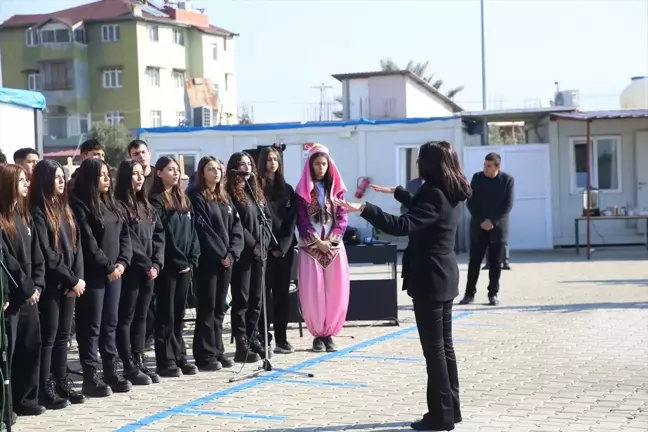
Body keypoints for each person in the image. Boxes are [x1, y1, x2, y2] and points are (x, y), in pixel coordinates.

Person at [336, 141, 470, 432]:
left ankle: (440, 417)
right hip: (443, 274)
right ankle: (452, 409)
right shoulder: (449, 189)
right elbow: (425, 210)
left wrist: (364, 209)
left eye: (421, 159)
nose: (417, 163)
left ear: (431, 163)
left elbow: (403, 225)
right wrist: (398, 192)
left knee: (434, 351)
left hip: (430, 278)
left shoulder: (434, 192)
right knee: (444, 348)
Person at [70, 158, 133, 397]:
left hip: (115, 274)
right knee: (91, 326)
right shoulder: (80, 206)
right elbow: (89, 243)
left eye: (108, 174)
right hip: (95, 276)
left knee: (111, 324)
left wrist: (122, 263)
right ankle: (90, 375)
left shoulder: (113, 204)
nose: (107, 179)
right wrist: (108, 267)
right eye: (102, 175)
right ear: (89, 178)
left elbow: (125, 235)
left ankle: (111, 368)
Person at [29, 160, 86, 409]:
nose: (62, 181)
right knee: (49, 338)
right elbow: (48, 254)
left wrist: (77, 279)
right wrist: (70, 279)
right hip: (53, 284)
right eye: (56, 177)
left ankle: (62, 380)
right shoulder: (38, 211)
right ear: (44, 180)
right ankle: (46, 386)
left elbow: (77, 247)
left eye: (63, 177)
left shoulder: (65, 209)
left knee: (64, 336)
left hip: (70, 284)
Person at [189, 156, 243, 371]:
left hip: (226, 261)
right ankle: (204, 354)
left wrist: (233, 253)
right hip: (209, 262)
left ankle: (217, 350)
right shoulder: (197, 197)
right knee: (207, 307)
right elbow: (204, 231)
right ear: (202, 173)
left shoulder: (224, 197)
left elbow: (236, 227)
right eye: (211, 169)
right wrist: (222, 253)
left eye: (218, 169)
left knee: (220, 307)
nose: (216, 173)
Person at [0, 164, 46, 417]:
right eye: (21, 180)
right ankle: (6, 405)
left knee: (31, 346)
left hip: (31, 296)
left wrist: (37, 284)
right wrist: (26, 288)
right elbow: (7, 260)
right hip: (15, 297)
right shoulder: (2, 219)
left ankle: (27, 398)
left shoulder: (24, 216)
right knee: (11, 350)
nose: (27, 184)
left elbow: (37, 254)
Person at [295, 143, 350, 353]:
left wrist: (332, 241)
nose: (320, 168)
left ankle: (330, 334)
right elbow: (301, 221)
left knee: (336, 289)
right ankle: (318, 335)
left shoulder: (337, 191)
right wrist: (317, 242)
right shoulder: (302, 192)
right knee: (313, 292)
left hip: (335, 248)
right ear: (310, 166)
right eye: (317, 164)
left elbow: (342, 218)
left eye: (324, 163)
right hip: (311, 248)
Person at [114, 160, 165, 385]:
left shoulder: (147, 206)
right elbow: (128, 241)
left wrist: (157, 263)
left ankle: (138, 357)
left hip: (149, 271)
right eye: (134, 174)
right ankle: (127, 364)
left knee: (142, 317)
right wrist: (146, 264)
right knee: (127, 317)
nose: (139, 177)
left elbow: (159, 235)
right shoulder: (119, 206)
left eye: (140, 173)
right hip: (132, 270)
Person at [149, 156, 200, 377]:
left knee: (179, 313)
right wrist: (179, 260)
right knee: (166, 313)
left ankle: (180, 354)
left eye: (177, 170)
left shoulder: (183, 198)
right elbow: (164, 235)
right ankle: (165, 359)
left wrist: (192, 258)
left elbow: (193, 231)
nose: (175, 173)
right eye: (170, 170)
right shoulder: (156, 200)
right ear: (159, 173)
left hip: (186, 265)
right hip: (169, 265)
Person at [225, 152, 272, 363]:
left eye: (248, 164)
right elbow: (237, 225)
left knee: (256, 299)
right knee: (241, 299)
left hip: (259, 254)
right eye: (240, 164)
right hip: (243, 254)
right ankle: (241, 342)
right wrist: (253, 244)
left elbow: (267, 219)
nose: (245, 167)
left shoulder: (256, 192)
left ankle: (254, 338)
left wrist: (264, 243)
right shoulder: (230, 193)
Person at [257, 146, 298, 354]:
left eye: (276, 159)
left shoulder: (288, 189)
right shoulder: (256, 189)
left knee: (282, 294)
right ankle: (264, 338)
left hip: (285, 250)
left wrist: (282, 246)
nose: (272, 163)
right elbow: (259, 220)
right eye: (269, 159)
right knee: (264, 295)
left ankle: (282, 339)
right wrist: (269, 246)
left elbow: (291, 222)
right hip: (264, 250)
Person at [459, 152, 514, 306]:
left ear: (497, 167)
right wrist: (482, 220)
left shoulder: (507, 181)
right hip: (478, 226)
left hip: (498, 228)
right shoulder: (477, 178)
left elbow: (507, 205)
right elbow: (470, 201)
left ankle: (493, 294)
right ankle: (469, 294)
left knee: (496, 262)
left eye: (489, 166)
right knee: (474, 261)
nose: (485, 168)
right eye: (484, 165)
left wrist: (493, 221)